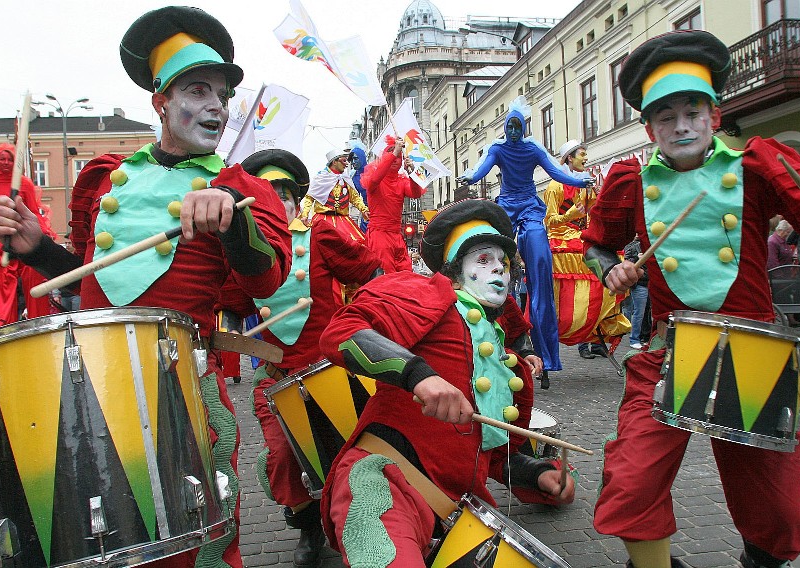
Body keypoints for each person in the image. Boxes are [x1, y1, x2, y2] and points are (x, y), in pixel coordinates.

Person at [0, 7, 293, 567]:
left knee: (189, 547)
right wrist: (37, 248)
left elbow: (266, 281)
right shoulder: (109, 178)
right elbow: (89, 289)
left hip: (177, 386)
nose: (215, 107)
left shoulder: (238, 188)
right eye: (197, 91)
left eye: (223, 95)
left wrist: (233, 221)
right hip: (93, 388)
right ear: (161, 103)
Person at [581, 29, 800, 568]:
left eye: (692, 110)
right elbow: (596, 245)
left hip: (753, 350)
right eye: (665, 116)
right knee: (631, 483)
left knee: (781, 506)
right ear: (648, 128)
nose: (681, 125)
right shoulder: (628, 181)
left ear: (714, 115)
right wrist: (613, 271)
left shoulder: (758, 165)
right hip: (670, 352)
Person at [318, 199, 575, 566]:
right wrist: (419, 376)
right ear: (455, 272)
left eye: (503, 263)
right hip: (386, 482)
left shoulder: (502, 354)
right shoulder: (427, 294)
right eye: (483, 260)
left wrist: (535, 474)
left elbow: (481, 451)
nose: (499, 270)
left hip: (457, 511)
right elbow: (342, 333)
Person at [237, 148, 381, 567]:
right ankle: (307, 526)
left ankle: (368, 517)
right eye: (267, 193)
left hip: (333, 369)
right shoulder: (246, 252)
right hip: (278, 378)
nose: (278, 201)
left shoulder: (319, 235)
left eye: (285, 192)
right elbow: (227, 304)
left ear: (298, 199)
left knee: (353, 450)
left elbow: (367, 269)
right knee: (284, 456)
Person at [459, 96, 592, 372]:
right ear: (507, 128)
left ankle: (547, 355)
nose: (515, 133)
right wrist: (471, 176)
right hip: (506, 205)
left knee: (541, 260)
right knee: (493, 252)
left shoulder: (532, 148)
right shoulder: (498, 148)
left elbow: (556, 171)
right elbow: (483, 168)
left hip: (530, 206)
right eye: (512, 128)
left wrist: (579, 180)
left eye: (519, 128)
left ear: (524, 128)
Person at [543, 139, 628, 360]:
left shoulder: (586, 186)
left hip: (580, 238)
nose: (586, 158)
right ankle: (573, 330)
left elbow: (594, 215)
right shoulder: (555, 186)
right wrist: (569, 216)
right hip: (561, 241)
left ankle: (598, 328)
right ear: (570, 158)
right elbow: (549, 221)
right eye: (582, 154)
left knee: (614, 258)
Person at [0, 143, 56, 328]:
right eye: (3, 159)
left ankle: (39, 324)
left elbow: (32, 211)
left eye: (10, 159)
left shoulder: (23, 183)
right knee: (2, 286)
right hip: (4, 244)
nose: (6, 163)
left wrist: (43, 237)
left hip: (25, 238)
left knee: (35, 280)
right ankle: (1, 327)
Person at [361, 136, 425, 273]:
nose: (396, 159)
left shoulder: (401, 181)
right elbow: (376, 177)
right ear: (385, 158)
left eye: (399, 156)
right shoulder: (374, 180)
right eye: (392, 155)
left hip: (397, 235)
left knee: (405, 272)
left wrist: (412, 173)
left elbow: (416, 193)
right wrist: (395, 151)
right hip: (380, 235)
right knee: (385, 275)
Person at [300, 147, 369, 243]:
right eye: (344, 161)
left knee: (355, 243)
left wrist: (364, 209)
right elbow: (310, 197)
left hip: (343, 221)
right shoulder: (321, 178)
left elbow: (355, 198)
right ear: (334, 162)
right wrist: (305, 214)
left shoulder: (346, 179)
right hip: (322, 221)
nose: (347, 164)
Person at [621, 235, 650, 350]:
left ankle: (645, 337)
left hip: (649, 283)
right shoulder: (632, 247)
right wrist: (638, 259)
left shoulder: (651, 246)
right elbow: (626, 264)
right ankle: (634, 339)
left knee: (647, 313)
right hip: (640, 284)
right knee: (639, 312)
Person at [347, 139, 370, 233]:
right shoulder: (353, 176)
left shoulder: (373, 171)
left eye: (355, 159)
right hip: (366, 212)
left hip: (380, 211)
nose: (353, 162)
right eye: (351, 160)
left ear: (362, 158)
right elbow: (353, 197)